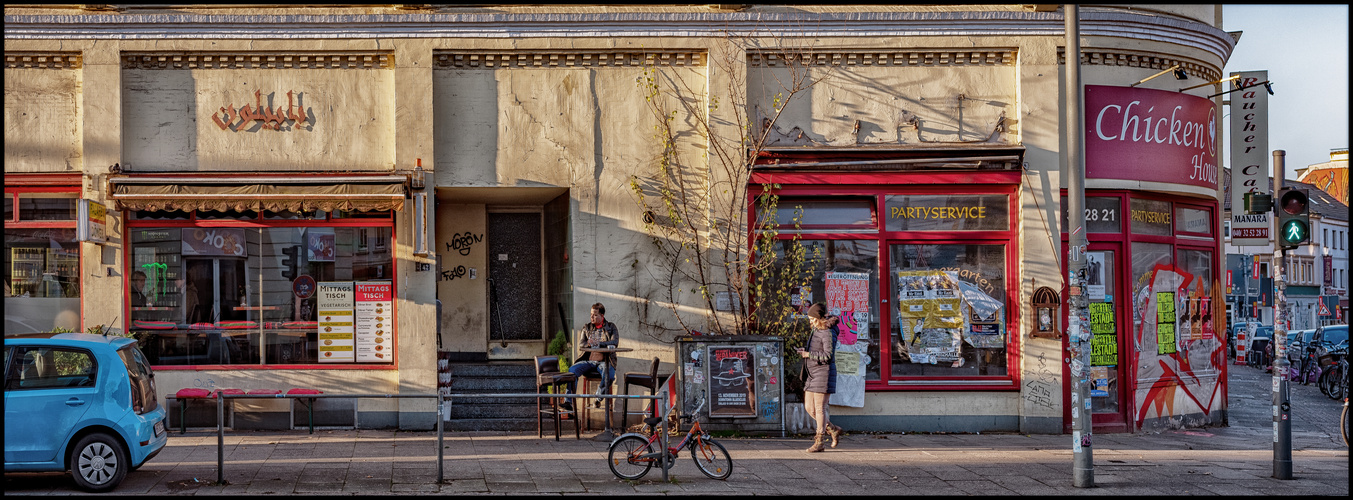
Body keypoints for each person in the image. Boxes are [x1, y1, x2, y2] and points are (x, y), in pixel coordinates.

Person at [800, 303, 843, 452]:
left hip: (823, 374)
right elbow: (816, 350)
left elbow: (828, 355)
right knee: (809, 408)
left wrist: (808, 355)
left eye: (811, 318)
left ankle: (819, 442)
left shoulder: (827, 332)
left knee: (819, 408)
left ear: (818, 318)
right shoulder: (816, 330)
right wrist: (805, 351)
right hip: (812, 374)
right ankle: (832, 429)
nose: (810, 321)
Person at [564, 303, 619, 411]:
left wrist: (599, 344)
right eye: (591, 315)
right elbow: (581, 344)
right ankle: (568, 402)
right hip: (588, 361)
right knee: (572, 370)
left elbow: (615, 342)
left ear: (602, 316)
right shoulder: (587, 327)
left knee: (610, 376)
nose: (591, 317)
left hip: (605, 361)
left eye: (594, 315)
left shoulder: (611, 327)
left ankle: (598, 398)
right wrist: (589, 344)